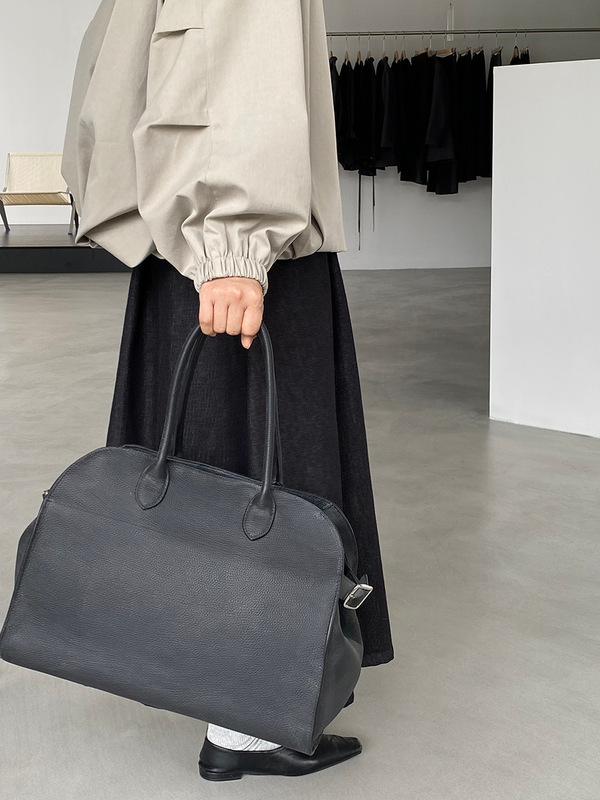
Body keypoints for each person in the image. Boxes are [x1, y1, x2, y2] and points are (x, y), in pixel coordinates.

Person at [61, 0, 394, 781]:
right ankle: (246, 725)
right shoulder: (231, 243)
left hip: (186, 238)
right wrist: (234, 250)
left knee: (209, 474)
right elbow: (232, 65)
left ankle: (224, 700)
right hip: (230, 249)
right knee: (257, 476)